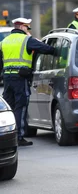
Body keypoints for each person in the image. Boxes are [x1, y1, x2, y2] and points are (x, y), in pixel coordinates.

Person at [0, 18, 56, 146]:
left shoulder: (4, 41)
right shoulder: (27, 40)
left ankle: (8, 135)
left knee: (9, 107)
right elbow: (48, 49)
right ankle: (19, 137)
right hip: (20, 79)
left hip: (7, 79)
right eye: (27, 28)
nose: (27, 31)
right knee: (21, 106)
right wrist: (35, 40)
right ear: (22, 27)